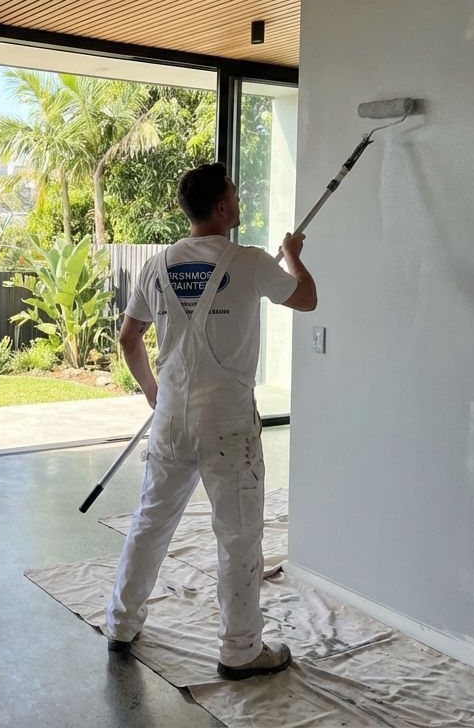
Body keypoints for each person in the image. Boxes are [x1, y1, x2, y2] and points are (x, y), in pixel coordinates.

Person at [103, 161, 317, 680]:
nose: (239, 201)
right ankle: (241, 651)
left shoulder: (157, 264)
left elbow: (128, 338)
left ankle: (121, 624)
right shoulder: (247, 261)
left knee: (151, 520)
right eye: (235, 195)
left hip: (172, 416)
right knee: (239, 534)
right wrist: (291, 257)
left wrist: (154, 393)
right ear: (221, 207)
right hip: (227, 422)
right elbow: (307, 298)